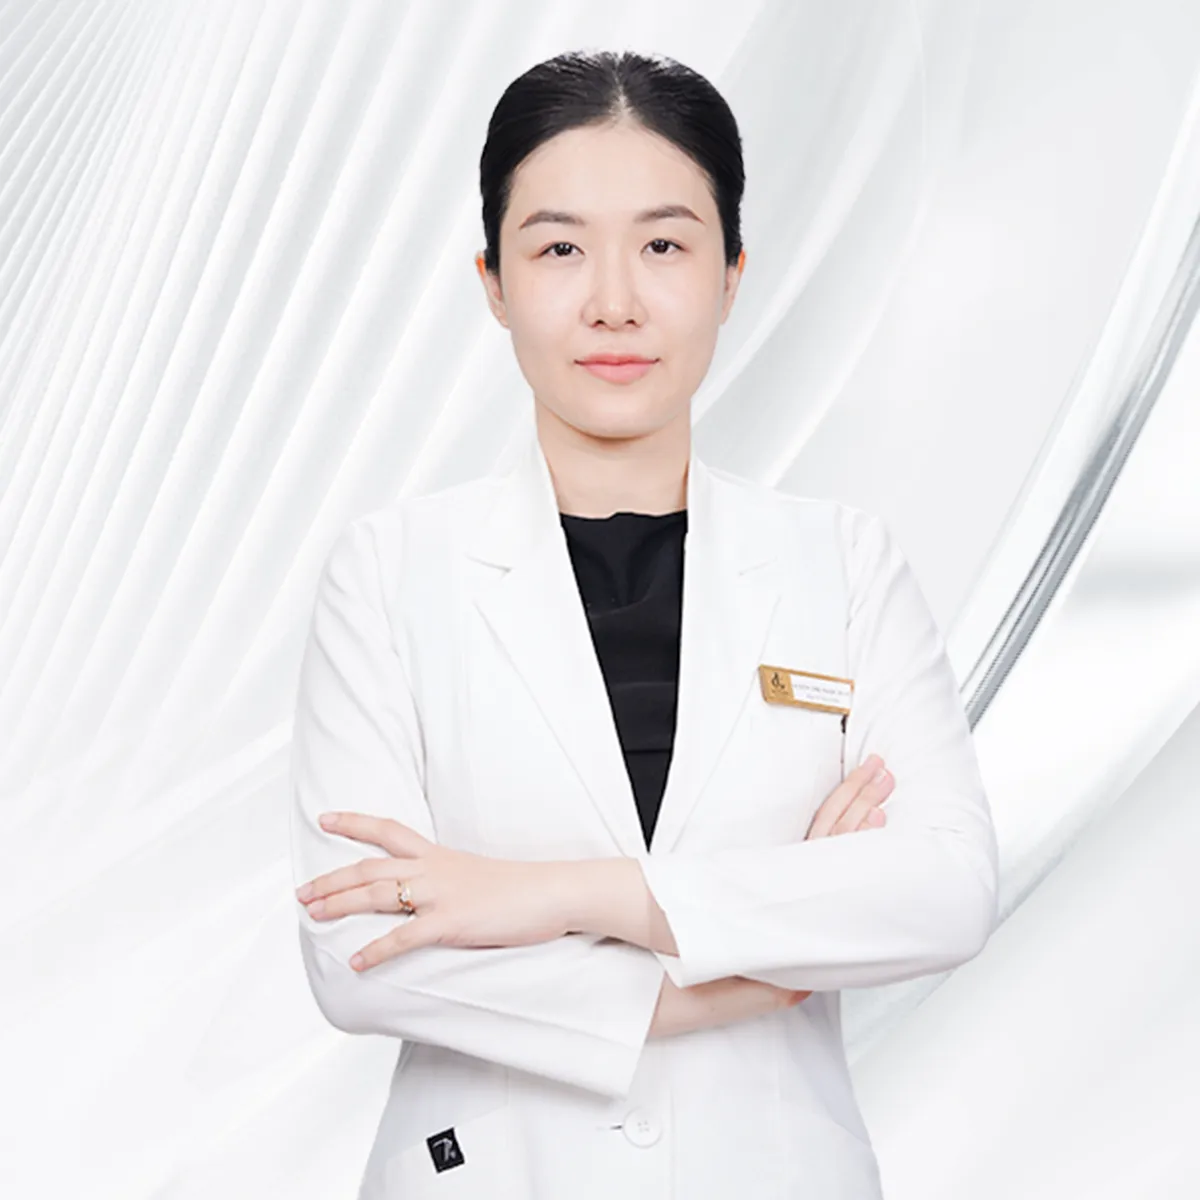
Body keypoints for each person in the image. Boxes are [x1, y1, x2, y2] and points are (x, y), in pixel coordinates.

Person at [289, 49, 999, 1200]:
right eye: (559, 249)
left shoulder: (843, 563)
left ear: (730, 274)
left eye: (664, 246)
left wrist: (557, 893)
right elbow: (358, 953)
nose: (614, 301)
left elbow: (946, 888)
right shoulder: (387, 573)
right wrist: (753, 960)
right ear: (493, 281)